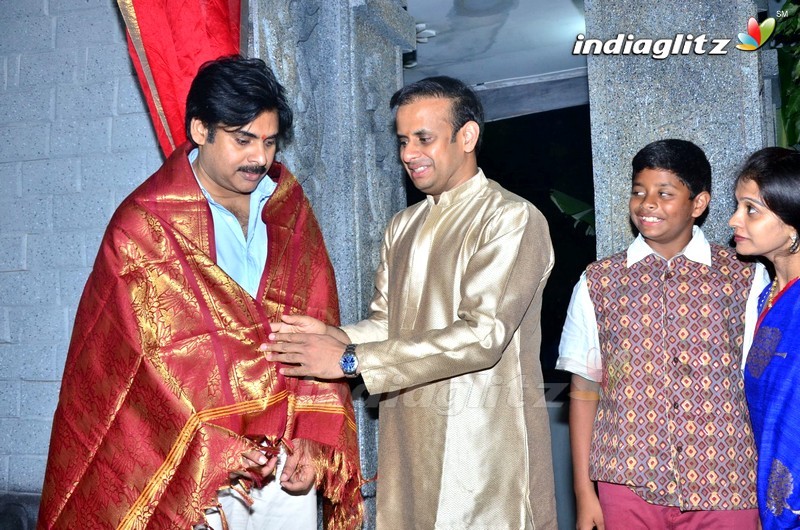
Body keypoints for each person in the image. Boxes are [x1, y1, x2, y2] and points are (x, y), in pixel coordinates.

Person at [37, 56, 362, 530]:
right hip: (194, 475)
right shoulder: (145, 226)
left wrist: (313, 440)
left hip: (286, 460)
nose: (259, 158)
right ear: (200, 130)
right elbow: (139, 367)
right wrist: (230, 448)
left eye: (269, 142)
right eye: (243, 139)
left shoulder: (289, 208)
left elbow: (314, 332)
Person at [264, 75, 559, 529]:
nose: (408, 154)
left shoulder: (510, 217)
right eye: (403, 141)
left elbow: (483, 336)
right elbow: (388, 324)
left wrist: (347, 360)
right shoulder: (403, 226)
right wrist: (334, 335)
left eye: (423, 138)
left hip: (481, 447)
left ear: (468, 136)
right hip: (408, 443)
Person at [557, 139, 768, 529]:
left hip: (727, 481)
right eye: (639, 191)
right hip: (626, 483)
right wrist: (585, 493)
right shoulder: (599, 281)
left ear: (698, 203)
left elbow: (761, 384)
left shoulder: (745, 277)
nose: (647, 203)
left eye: (664, 193)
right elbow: (585, 390)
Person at [729, 147, 800, 530]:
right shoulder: (765, 296)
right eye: (738, 206)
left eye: (751, 209)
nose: (733, 219)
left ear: (792, 221)